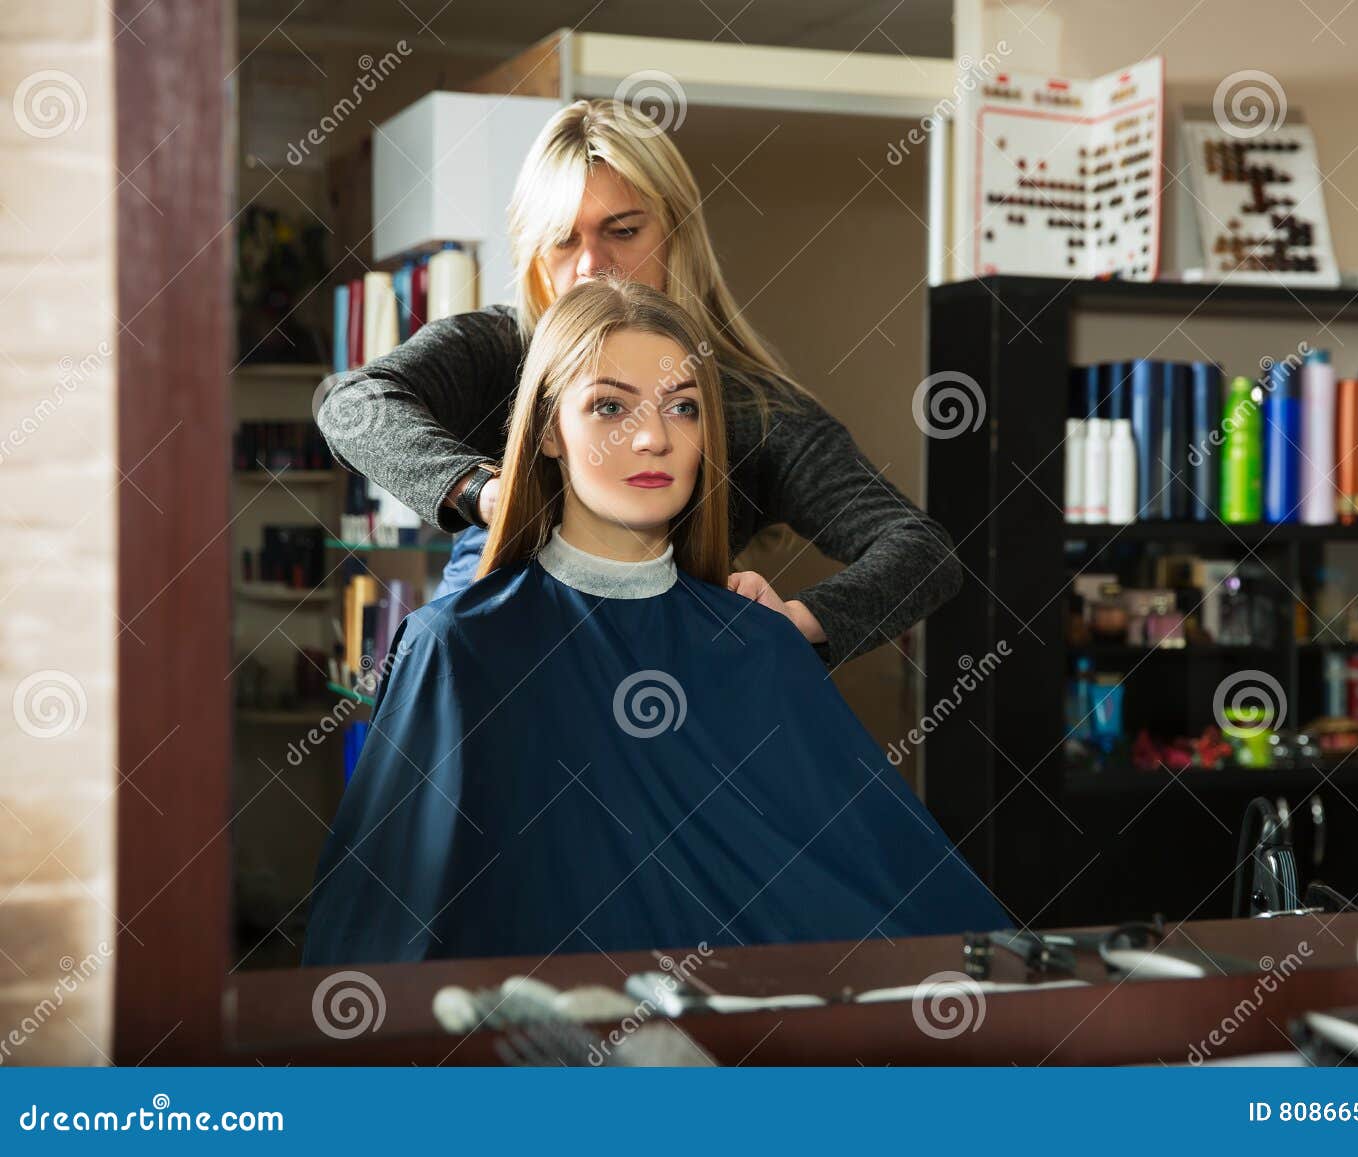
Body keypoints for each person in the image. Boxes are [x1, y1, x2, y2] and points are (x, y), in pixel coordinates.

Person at [300, 279, 1008, 965]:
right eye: (610, 406)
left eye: (683, 408)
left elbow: (885, 887)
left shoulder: (757, 646)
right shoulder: (457, 647)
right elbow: (380, 930)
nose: (652, 438)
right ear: (548, 431)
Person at [313, 98, 960, 669]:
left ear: (678, 235)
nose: (592, 265)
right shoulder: (497, 352)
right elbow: (350, 404)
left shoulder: (756, 412)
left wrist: (794, 626)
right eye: (563, 240)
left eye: (622, 231)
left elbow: (920, 551)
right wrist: (484, 490)